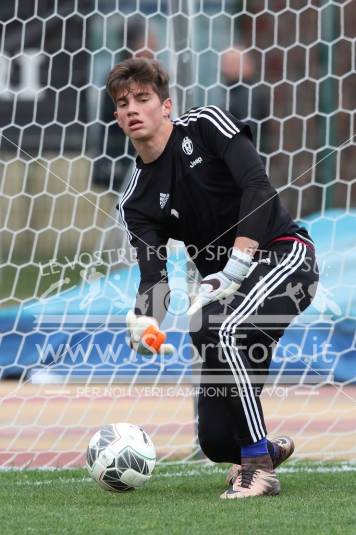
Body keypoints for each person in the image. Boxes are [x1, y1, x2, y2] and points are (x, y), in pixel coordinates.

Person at [106, 58, 319, 499]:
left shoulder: (206, 125)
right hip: (227, 291)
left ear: (166, 106)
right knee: (217, 443)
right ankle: (256, 449)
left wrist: (236, 267)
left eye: (143, 99)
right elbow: (155, 280)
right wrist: (145, 319)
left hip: (285, 258)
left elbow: (259, 187)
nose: (133, 109)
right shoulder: (135, 200)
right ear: (116, 117)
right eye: (123, 103)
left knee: (214, 324)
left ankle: (259, 468)